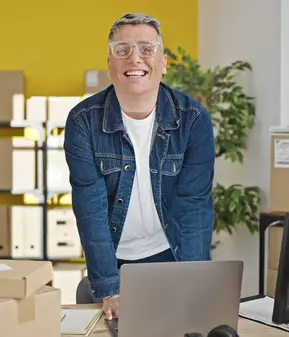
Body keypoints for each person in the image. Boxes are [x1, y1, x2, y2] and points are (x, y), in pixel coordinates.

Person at [63, 12, 216, 320]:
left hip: (171, 255)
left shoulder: (193, 120)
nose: (135, 59)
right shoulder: (82, 122)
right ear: (110, 64)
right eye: (122, 50)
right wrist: (110, 287)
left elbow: (194, 207)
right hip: (115, 259)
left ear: (163, 62)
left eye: (147, 49)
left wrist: (194, 282)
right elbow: (90, 210)